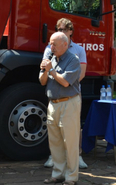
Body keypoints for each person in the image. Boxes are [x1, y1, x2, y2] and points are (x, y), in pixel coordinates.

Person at [43, 18, 88, 169]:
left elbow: (80, 74)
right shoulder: (50, 49)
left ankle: (77, 156)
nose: (59, 32)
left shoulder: (78, 51)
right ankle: (54, 158)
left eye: (62, 29)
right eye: (57, 29)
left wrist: (68, 81)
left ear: (70, 31)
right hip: (55, 95)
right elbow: (45, 69)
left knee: (73, 130)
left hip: (72, 94)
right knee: (55, 132)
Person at [39, 32, 81, 185]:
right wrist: (45, 70)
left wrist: (50, 70)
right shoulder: (50, 59)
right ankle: (58, 174)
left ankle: (71, 177)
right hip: (53, 104)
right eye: (50, 44)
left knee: (70, 142)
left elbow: (64, 82)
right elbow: (42, 81)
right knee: (55, 141)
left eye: (54, 44)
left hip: (69, 103)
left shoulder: (73, 60)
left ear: (65, 44)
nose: (51, 47)